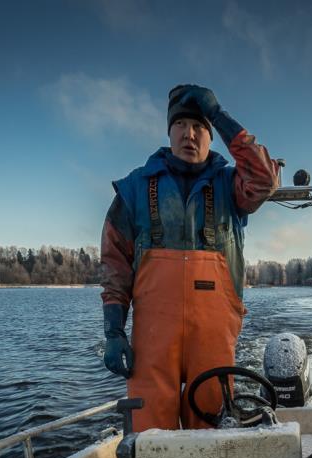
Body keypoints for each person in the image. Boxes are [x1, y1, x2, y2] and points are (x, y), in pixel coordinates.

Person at [100, 84, 279, 432]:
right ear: (169, 131)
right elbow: (114, 264)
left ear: (211, 135)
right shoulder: (135, 187)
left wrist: (219, 115)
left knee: (211, 433)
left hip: (213, 339)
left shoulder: (233, 185)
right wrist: (113, 330)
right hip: (152, 341)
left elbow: (265, 180)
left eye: (199, 126)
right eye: (181, 125)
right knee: (151, 441)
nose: (190, 134)